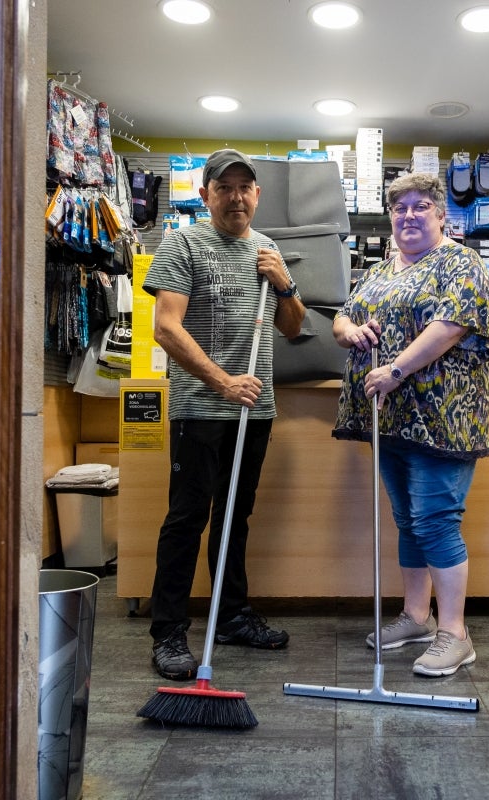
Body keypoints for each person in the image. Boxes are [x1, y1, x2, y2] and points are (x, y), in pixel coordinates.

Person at [142, 148, 306, 681]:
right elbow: (165, 328)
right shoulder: (183, 243)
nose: (236, 196)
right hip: (201, 407)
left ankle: (232, 615)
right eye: (225, 187)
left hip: (254, 411)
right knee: (188, 518)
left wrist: (285, 284)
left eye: (245, 187)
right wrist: (222, 380)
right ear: (206, 193)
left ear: (256, 194)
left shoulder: (267, 247)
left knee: (236, 517)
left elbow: (292, 327)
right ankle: (168, 632)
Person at [331, 173, 489, 677]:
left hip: (443, 419)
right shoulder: (381, 271)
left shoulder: (461, 263)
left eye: (421, 206)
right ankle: (416, 616)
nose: (409, 215)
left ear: (441, 214)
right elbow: (342, 318)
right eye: (400, 207)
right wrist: (351, 331)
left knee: (435, 520)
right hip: (391, 420)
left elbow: (449, 328)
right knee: (408, 521)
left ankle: (456, 634)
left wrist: (396, 369)